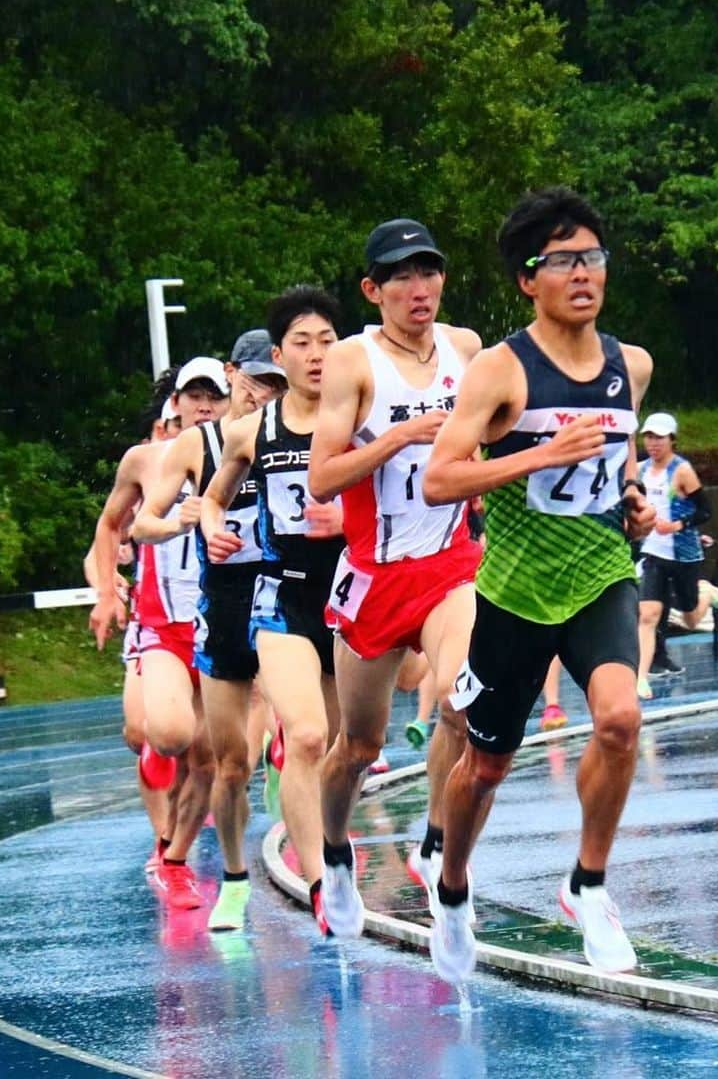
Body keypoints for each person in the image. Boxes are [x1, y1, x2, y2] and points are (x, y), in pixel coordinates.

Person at [422, 186, 656, 983]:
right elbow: (439, 478)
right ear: (529, 279)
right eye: (562, 261)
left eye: (592, 257)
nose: (583, 274)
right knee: (485, 767)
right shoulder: (500, 370)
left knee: (620, 719)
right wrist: (534, 457)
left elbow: (613, 465)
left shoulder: (632, 366)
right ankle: (451, 886)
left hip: (598, 576)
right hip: (515, 591)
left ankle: (587, 886)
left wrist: (633, 504)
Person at [307, 218, 483, 938]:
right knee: (358, 747)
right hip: (375, 574)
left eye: (430, 271)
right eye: (403, 276)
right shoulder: (353, 362)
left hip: (450, 564)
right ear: (372, 289)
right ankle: (334, 851)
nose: (421, 289)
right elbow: (322, 476)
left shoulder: (465, 349)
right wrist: (398, 439)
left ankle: (437, 845)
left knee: (461, 703)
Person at [199, 285, 346, 934]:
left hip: (345, 597)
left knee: (344, 746)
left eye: (327, 342)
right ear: (280, 356)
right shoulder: (249, 431)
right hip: (275, 595)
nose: (315, 356)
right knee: (288, 741)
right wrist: (209, 527)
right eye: (302, 345)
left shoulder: (360, 417)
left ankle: (331, 851)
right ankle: (303, 883)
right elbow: (210, 499)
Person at [133, 344, 280, 930]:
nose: (261, 394)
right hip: (214, 610)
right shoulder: (193, 447)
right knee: (218, 760)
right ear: (233, 376)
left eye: (273, 383)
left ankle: (323, 866)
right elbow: (138, 521)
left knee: (314, 736)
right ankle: (182, 860)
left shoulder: (296, 430)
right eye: (253, 382)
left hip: (281, 604)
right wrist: (182, 521)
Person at [91, 358, 231, 911]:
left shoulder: (239, 454)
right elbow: (108, 524)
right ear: (174, 402)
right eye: (192, 395)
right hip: (162, 626)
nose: (202, 404)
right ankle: (158, 766)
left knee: (213, 759)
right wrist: (106, 589)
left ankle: (174, 859)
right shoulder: (145, 460)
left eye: (212, 396)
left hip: (220, 625)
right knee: (168, 735)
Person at [633, 412, 718, 698]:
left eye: (659, 438)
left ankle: (705, 593)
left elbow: (705, 510)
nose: (653, 443)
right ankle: (639, 678)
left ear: (672, 440)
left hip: (684, 554)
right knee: (648, 614)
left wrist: (677, 525)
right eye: (648, 437)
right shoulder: (638, 470)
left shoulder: (682, 471)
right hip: (653, 553)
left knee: (691, 620)